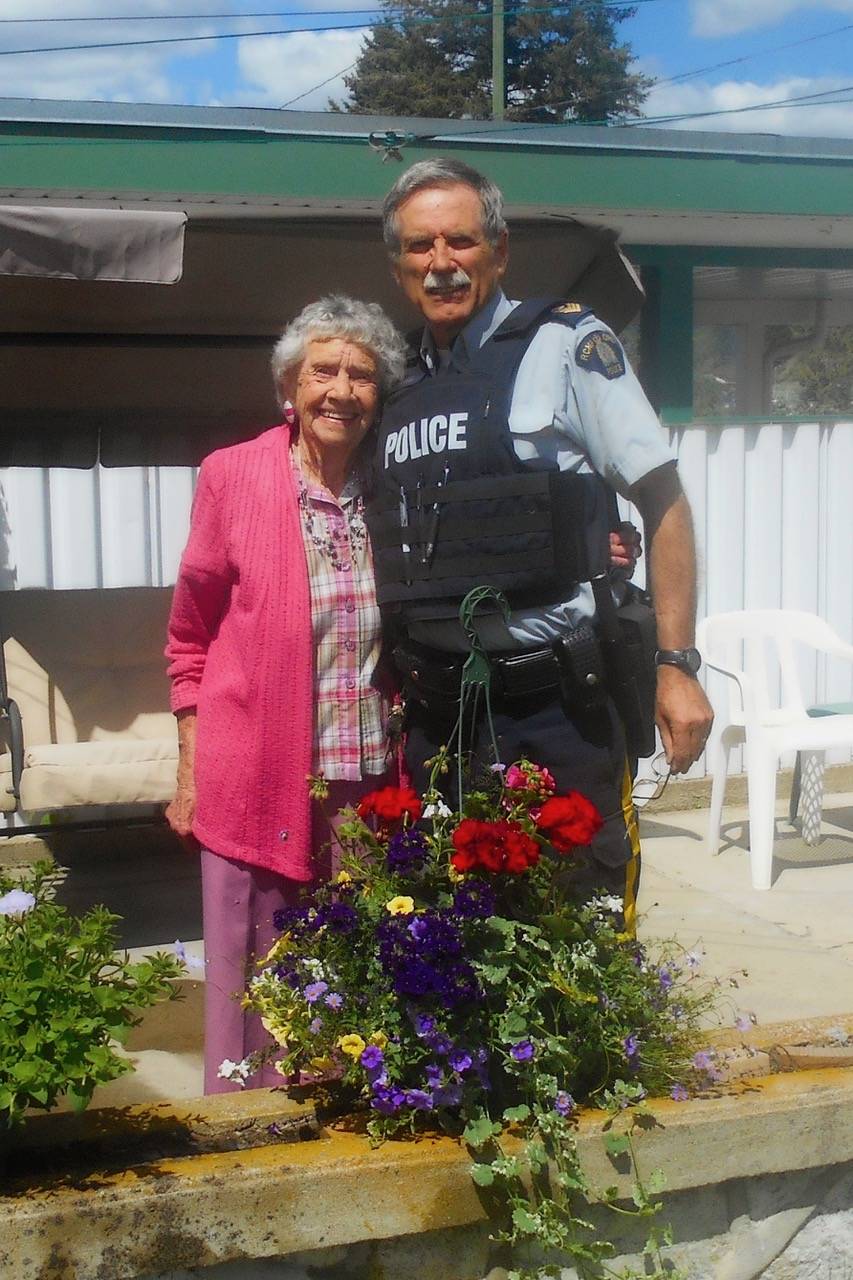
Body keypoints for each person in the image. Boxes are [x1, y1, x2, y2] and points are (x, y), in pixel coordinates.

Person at [369, 158, 714, 932]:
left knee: (577, 945)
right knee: (449, 947)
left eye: (460, 241)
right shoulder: (390, 381)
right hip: (439, 716)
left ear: (498, 251)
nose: (441, 263)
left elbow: (661, 498)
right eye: (420, 247)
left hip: (557, 710)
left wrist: (676, 665)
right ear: (398, 267)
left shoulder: (565, 344)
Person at [164, 295, 406, 1093]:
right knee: (252, 976)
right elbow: (189, 638)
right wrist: (189, 773)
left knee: (356, 963)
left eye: (361, 375)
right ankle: (247, 1131)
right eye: (322, 371)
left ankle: (345, 1114)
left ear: (380, 393)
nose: (341, 389)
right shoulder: (230, 476)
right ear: (290, 387)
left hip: (367, 779)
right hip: (254, 777)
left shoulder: (397, 489)